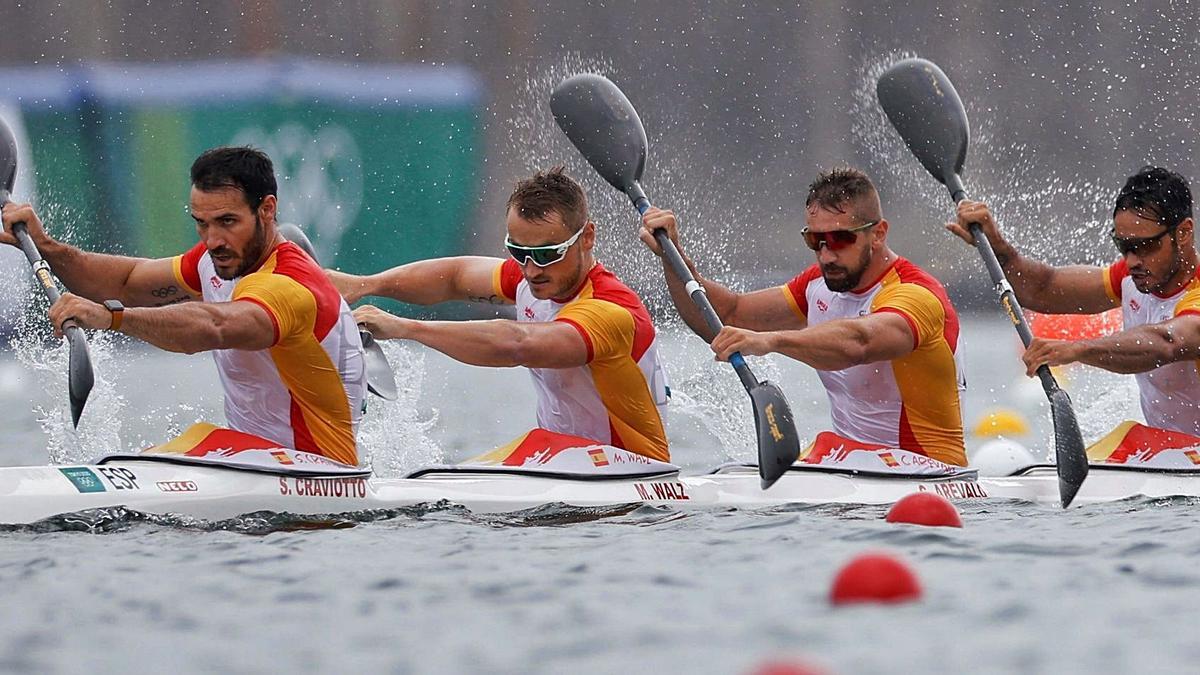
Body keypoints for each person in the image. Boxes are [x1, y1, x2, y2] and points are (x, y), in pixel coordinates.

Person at [0, 147, 366, 465]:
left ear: (267, 209)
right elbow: (127, 281)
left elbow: (214, 327)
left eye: (227, 222)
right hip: (256, 460)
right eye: (201, 224)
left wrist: (110, 317)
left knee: (141, 467)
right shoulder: (217, 259)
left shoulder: (290, 285)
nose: (213, 240)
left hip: (315, 470)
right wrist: (45, 245)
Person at [332, 167, 671, 462]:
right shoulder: (535, 277)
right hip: (567, 458)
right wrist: (363, 285)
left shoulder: (611, 311)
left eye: (547, 253)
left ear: (587, 238)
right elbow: (453, 277)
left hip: (626, 470)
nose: (530, 269)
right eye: (518, 251)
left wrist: (404, 327)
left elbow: (516, 345)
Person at [641, 167, 967, 467]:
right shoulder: (816, 287)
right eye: (815, 240)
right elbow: (727, 315)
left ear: (878, 233)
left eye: (841, 239)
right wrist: (673, 257)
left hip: (926, 476)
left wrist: (770, 341)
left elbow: (860, 342)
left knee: (821, 449)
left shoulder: (917, 295)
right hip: (854, 473)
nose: (826, 254)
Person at [952, 165, 1200, 437]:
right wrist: (999, 246)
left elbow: (1167, 343)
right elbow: (1043, 289)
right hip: (1179, 455)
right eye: (1124, 246)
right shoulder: (1131, 277)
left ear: (1184, 233)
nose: (1131, 261)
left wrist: (1076, 350)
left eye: (1145, 246)